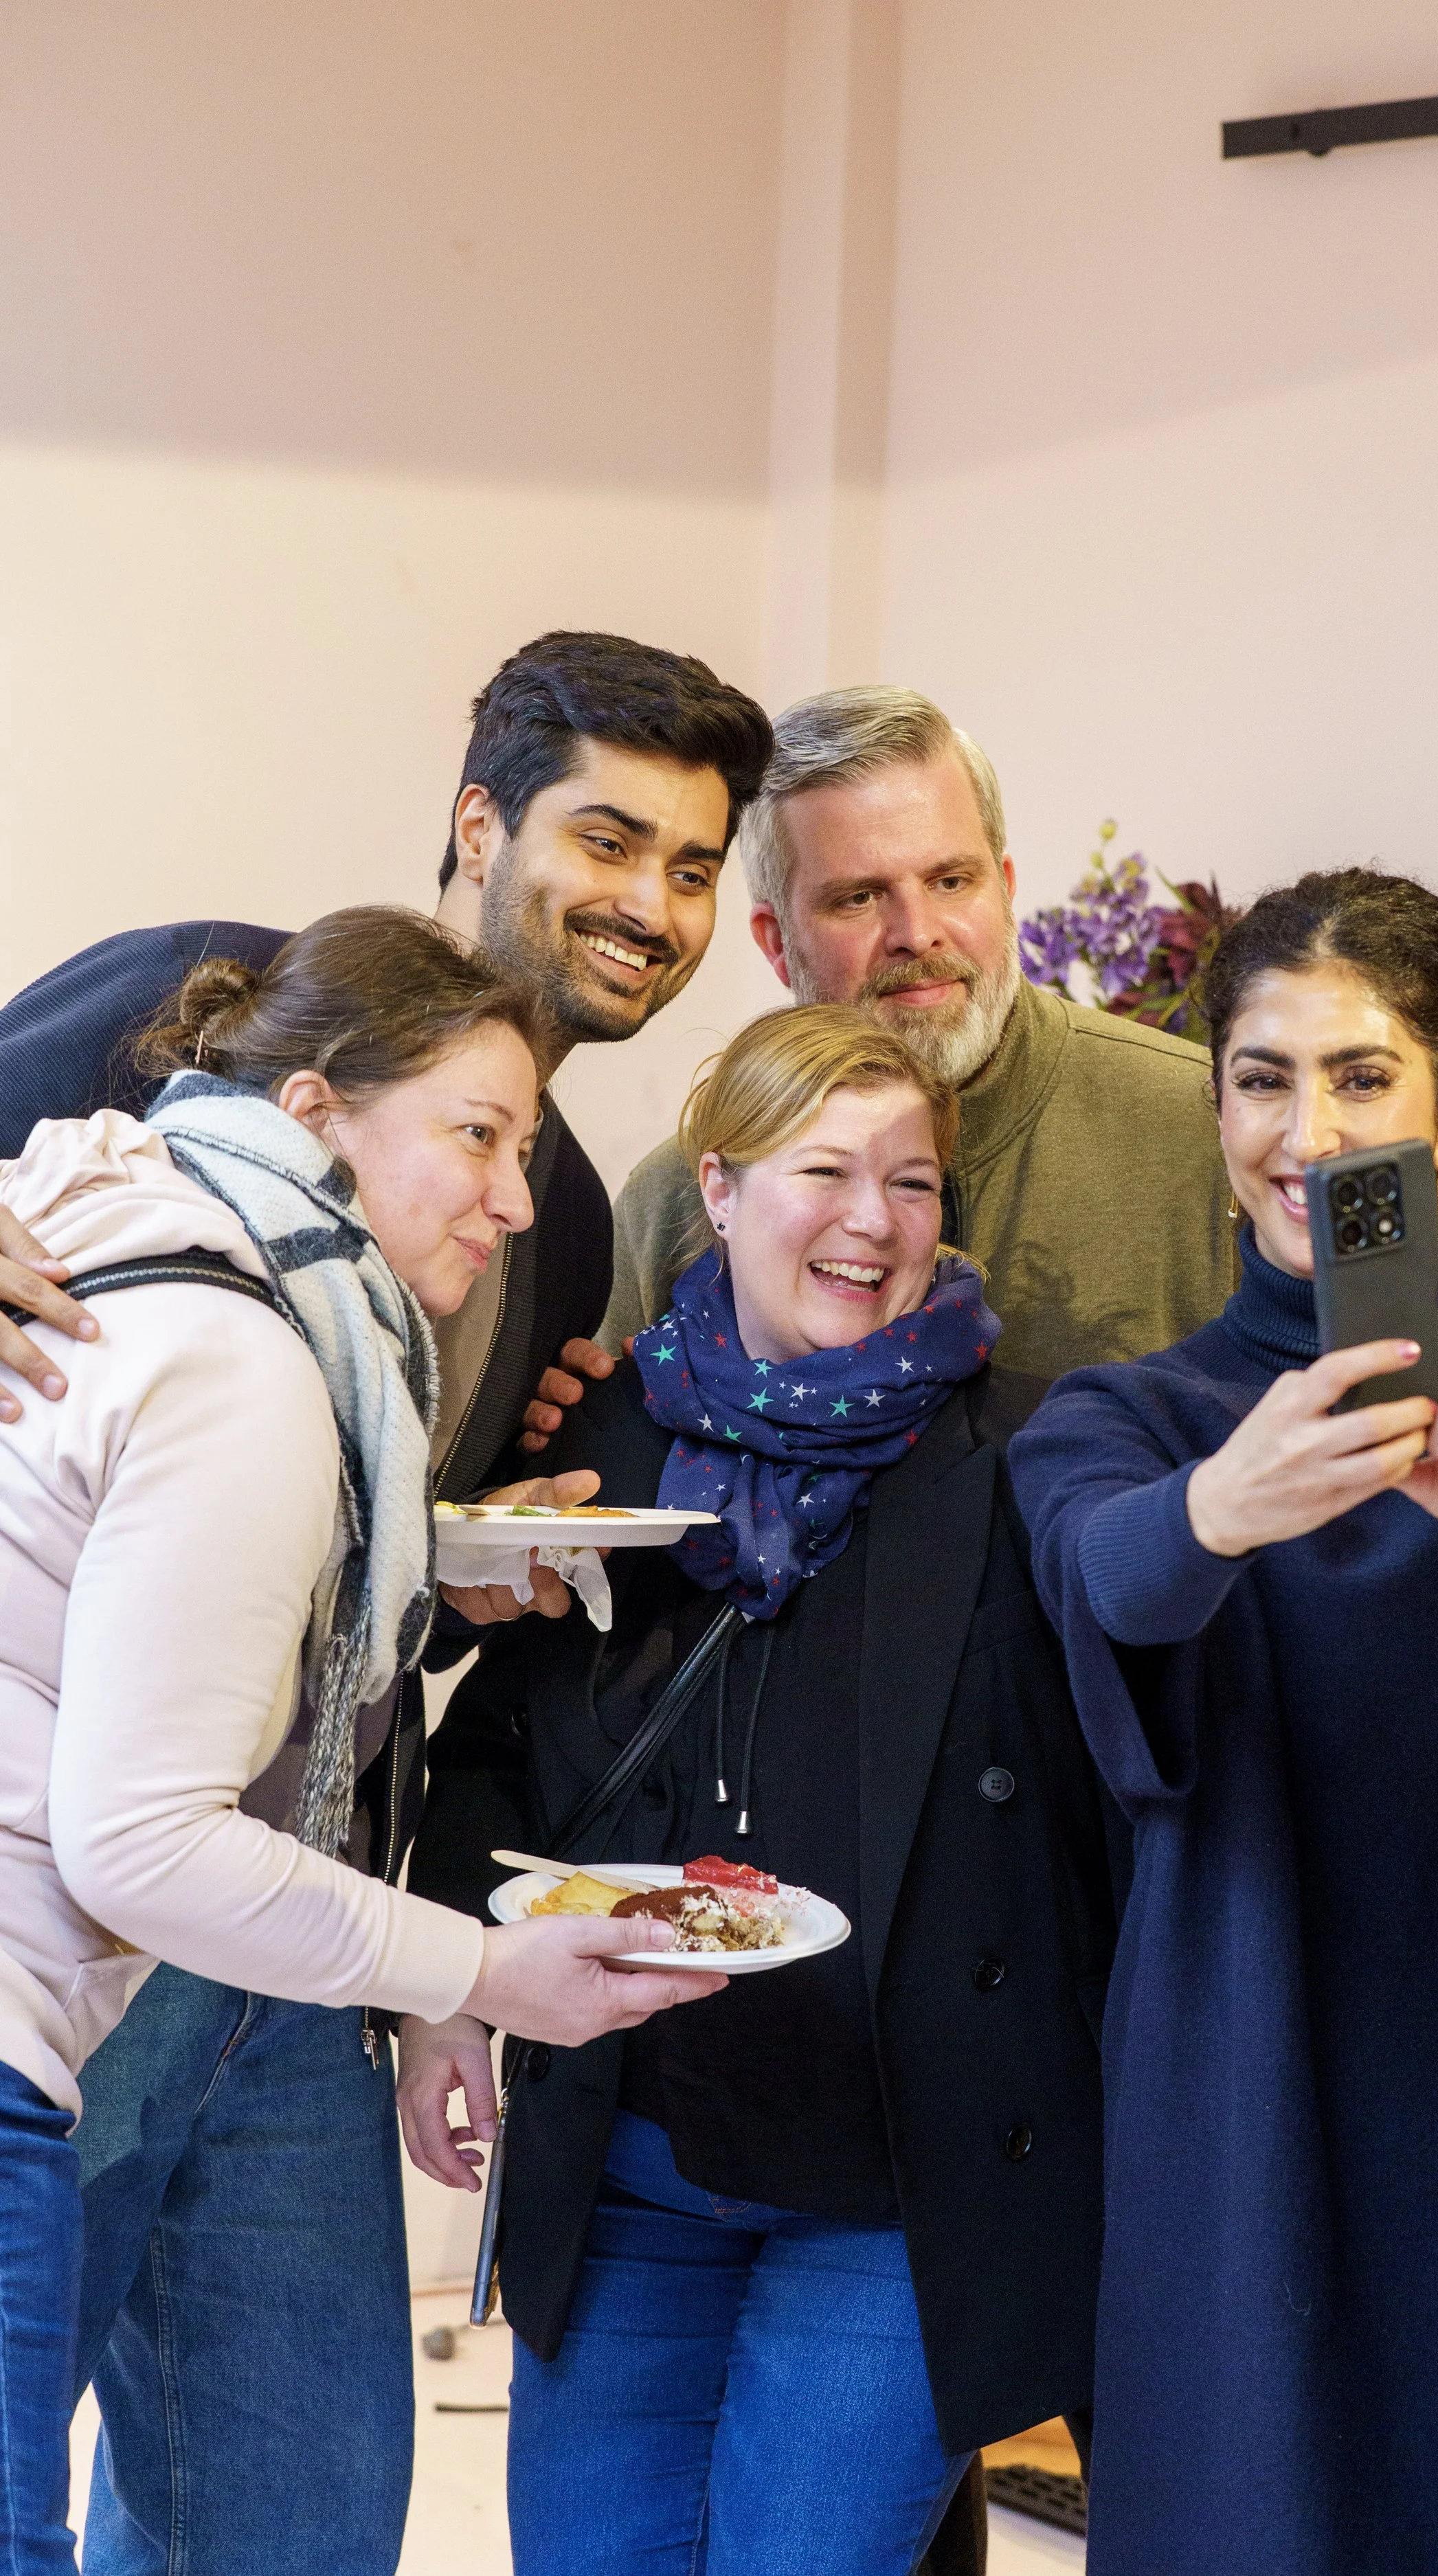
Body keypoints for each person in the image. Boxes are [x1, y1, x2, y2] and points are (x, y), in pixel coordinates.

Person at [0, 633, 771, 2576]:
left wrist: (461, 1553)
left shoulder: (568, 1211)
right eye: (610, 836)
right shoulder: (205, 999)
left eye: (693, 864)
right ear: (477, 820)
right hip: (85, 1901)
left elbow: (337, 1591)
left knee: (292, 2505)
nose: (648, 904)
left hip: (303, 1912)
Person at [1009, 867, 1438, 2576]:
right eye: (1260, 1076)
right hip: (1235, 2041)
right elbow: (1098, 1565)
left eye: (1361, 1074)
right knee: (1250, 2487)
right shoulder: (1128, 1413)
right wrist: (1220, 1507)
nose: (1304, 1127)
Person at [398, 1005, 1120, 2576]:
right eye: (827, 1168)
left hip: (895, 2187)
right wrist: (447, 1994)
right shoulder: (607, 1428)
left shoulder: (1037, 1448)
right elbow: (501, 1743)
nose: (874, 1217)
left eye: (914, 1179)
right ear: (716, 1188)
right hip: (636, 2150)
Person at [527, 683, 1231, 1427]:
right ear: (775, 942)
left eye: (951, 881)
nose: (917, 933)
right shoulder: (678, 1193)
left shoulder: (1201, 1126)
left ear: (1006, 889)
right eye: (858, 898)